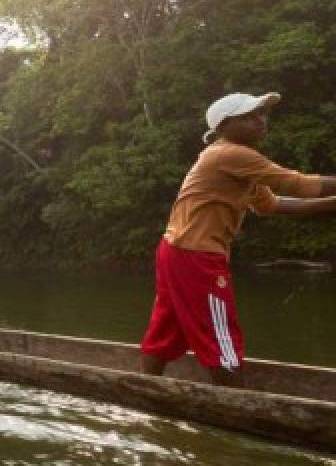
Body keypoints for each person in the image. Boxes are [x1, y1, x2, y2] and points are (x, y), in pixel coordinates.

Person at [139, 92, 336, 384]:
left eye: (261, 114)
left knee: (167, 326)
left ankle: (146, 386)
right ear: (224, 125)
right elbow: (299, 184)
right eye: (248, 117)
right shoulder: (230, 154)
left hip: (176, 250)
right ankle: (236, 400)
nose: (260, 120)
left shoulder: (234, 164)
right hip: (198, 255)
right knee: (222, 337)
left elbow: (271, 204)